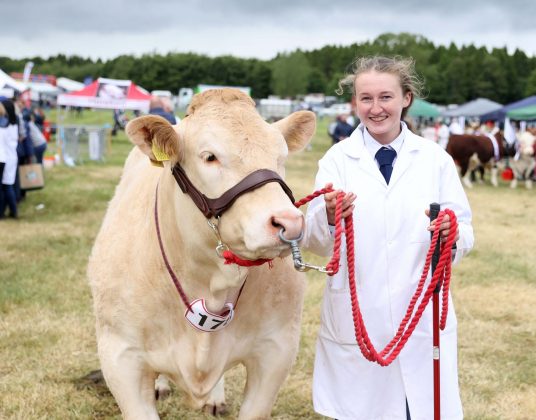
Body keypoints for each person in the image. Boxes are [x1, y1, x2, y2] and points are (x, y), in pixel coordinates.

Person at [302, 56, 474, 420]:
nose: (376, 108)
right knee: (362, 409)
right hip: (359, 315)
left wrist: (451, 234)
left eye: (386, 97)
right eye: (366, 98)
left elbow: (464, 228)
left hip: (420, 317)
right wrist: (329, 215)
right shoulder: (337, 160)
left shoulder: (434, 160)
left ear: (406, 98)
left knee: (417, 407)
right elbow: (315, 238)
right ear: (354, 103)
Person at [0, 99, 21, 218]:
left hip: (6, 157)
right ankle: (11, 211)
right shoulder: (14, 122)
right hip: (12, 156)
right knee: (8, 185)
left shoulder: (4, 125)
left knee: (6, 186)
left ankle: (12, 211)